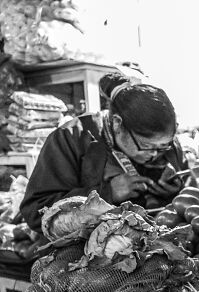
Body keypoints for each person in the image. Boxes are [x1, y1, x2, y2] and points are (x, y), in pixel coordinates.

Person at [21, 73, 187, 234]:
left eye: (163, 146)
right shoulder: (72, 138)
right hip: (90, 253)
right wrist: (107, 193)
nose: (154, 154)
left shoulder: (169, 144)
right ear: (117, 124)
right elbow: (36, 212)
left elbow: (195, 201)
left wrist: (177, 192)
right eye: (146, 145)